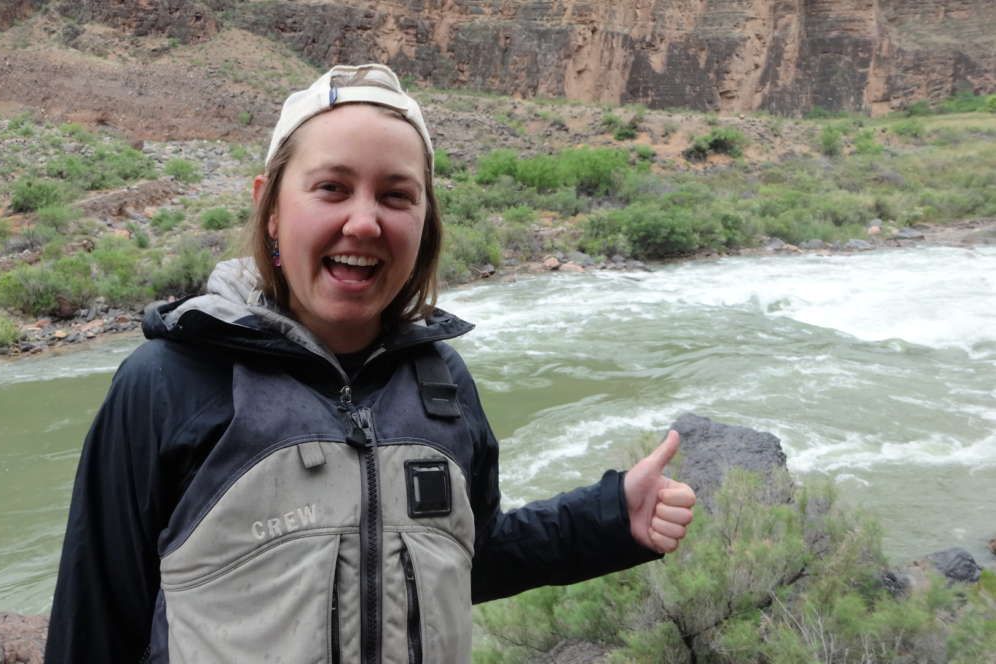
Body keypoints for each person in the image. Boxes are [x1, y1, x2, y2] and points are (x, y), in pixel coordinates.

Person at [44, 63, 696, 664]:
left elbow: (468, 559)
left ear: (425, 220)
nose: (364, 222)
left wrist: (610, 518)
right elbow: (95, 624)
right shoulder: (170, 382)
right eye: (331, 187)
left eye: (396, 195)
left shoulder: (442, 385)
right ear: (270, 208)